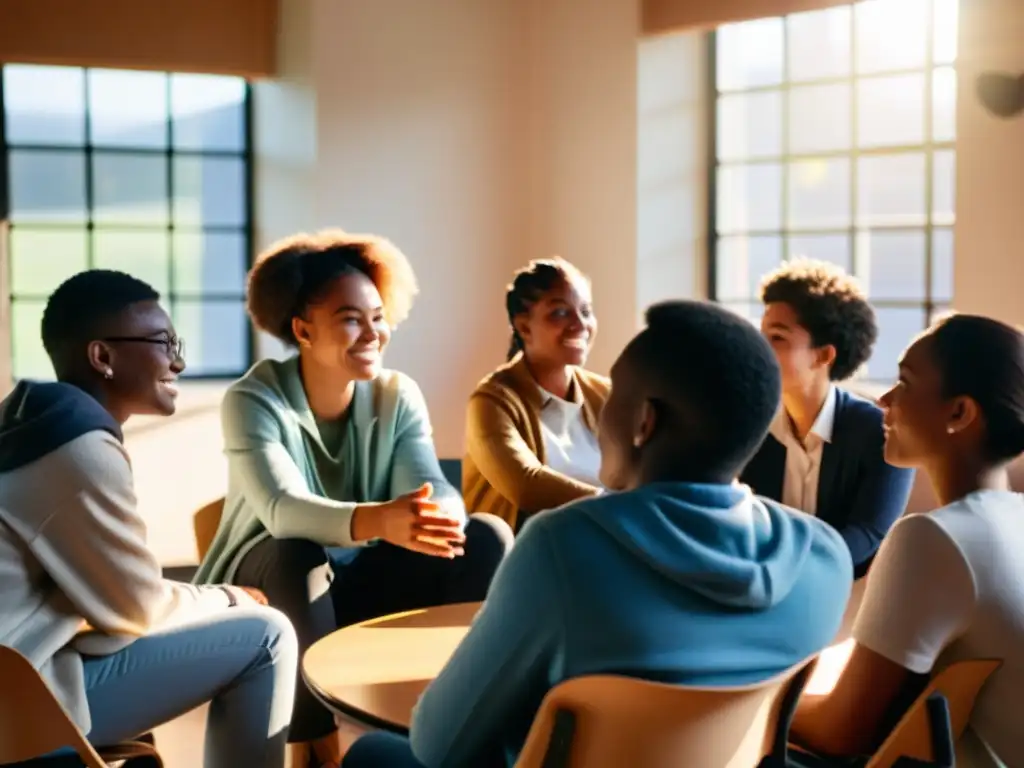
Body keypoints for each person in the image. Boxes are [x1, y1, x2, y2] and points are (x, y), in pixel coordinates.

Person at [343, 300, 855, 768]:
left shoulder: (561, 549)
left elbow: (440, 745)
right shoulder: (822, 558)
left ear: (643, 422)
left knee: (371, 753)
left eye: (613, 395)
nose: (600, 414)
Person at [194, 229, 513, 768]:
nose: (373, 333)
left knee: (483, 535)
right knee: (298, 553)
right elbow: (281, 510)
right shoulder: (252, 399)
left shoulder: (397, 393)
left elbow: (431, 484)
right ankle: (315, 750)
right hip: (269, 584)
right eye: (350, 318)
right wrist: (380, 520)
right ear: (303, 329)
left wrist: (436, 515)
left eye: (377, 316)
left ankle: (460, 717)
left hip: (358, 577)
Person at [0, 270, 297, 768]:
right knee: (267, 635)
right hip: (20, 703)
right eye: (163, 343)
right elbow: (136, 607)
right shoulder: (76, 447)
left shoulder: (31, 423)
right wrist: (224, 596)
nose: (178, 360)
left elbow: (116, 607)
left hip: (19, 676)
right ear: (103, 357)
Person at [791, 313, 1024, 768]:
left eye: (905, 382)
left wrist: (755, 694)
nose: (884, 399)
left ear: (959, 413)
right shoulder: (1015, 516)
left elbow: (840, 731)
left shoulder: (932, 537)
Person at [741, 259, 914, 576]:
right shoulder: (749, 425)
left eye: (777, 338)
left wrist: (790, 572)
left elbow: (868, 534)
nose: (760, 350)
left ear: (823, 355)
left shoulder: (880, 432)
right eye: (760, 335)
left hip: (844, 592)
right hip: (761, 585)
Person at [462, 257, 610, 532]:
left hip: (602, 544)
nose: (580, 324)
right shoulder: (492, 401)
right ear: (524, 327)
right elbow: (527, 484)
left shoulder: (607, 394)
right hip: (527, 556)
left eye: (586, 311)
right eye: (560, 313)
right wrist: (618, 506)